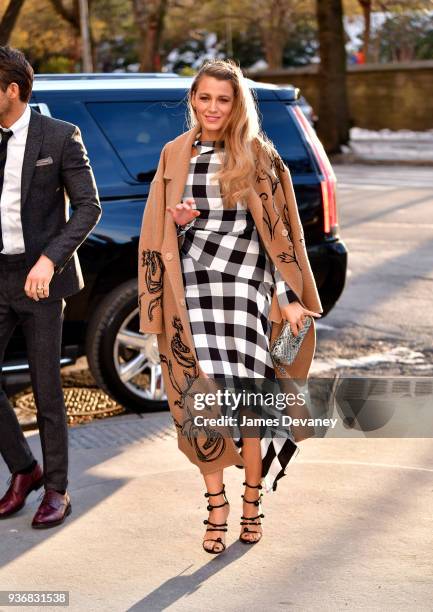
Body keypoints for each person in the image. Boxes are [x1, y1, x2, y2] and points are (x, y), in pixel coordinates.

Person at [138, 59, 322, 554]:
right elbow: (156, 235)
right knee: (203, 402)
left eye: (224, 99)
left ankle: (251, 505)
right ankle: (216, 506)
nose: (213, 108)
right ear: (192, 101)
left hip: (243, 294)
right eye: (204, 98)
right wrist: (179, 223)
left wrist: (288, 297)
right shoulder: (174, 155)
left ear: (237, 104)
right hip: (191, 293)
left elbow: (277, 235)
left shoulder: (259, 156)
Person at [0, 46, 101, 528]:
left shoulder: (59, 136)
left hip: (41, 279)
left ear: (12, 90)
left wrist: (48, 261)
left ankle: (56, 489)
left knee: (46, 389)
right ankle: (24, 468)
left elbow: (88, 206)